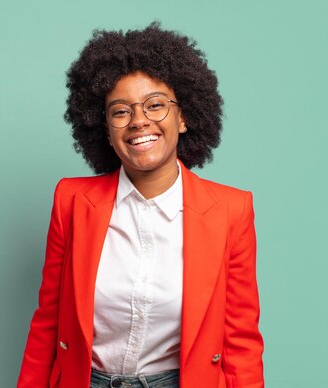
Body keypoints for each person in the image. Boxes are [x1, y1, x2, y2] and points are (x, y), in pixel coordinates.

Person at [17, 22, 263, 388]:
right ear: (105, 129)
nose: (139, 121)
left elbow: (240, 342)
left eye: (155, 105)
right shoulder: (71, 201)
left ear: (183, 117)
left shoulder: (231, 210)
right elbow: (48, 323)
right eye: (120, 111)